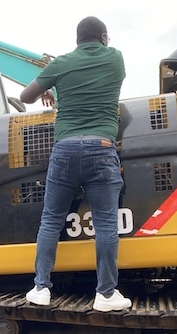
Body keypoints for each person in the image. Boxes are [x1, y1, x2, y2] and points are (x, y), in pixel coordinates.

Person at [20, 16, 131, 312]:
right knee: (106, 223)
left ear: (77, 40)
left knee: (51, 220)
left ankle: (41, 288)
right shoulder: (115, 59)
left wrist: (49, 89)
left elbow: (25, 96)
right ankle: (106, 294)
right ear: (104, 38)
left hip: (65, 149)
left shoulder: (61, 64)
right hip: (102, 147)